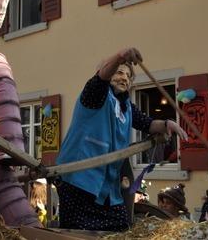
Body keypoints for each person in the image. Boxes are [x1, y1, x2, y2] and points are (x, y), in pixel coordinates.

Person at [55, 48, 188, 231]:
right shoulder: (95, 94)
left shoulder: (126, 106)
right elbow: (101, 78)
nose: (124, 78)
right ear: (108, 73)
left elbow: (147, 123)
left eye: (128, 75)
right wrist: (120, 57)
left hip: (107, 186)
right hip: (80, 180)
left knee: (121, 226)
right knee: (79, 233)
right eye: (119, 72)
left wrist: (167, 124)